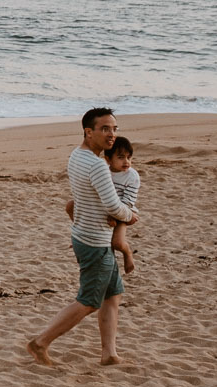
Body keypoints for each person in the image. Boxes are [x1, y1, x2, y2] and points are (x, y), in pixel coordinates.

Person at [27, 107, 138, 367]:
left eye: (114, 129)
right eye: (104, 129)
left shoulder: (77, 156)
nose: (111, 134)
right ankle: (40, 343)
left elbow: (83, 200)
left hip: (85, 233)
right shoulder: (98, 165)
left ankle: (109, 354)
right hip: (95, 241)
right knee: (88, 302)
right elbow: (113, 206)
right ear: (89, 132)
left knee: (112, 295)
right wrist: (130, 215)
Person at [64, 136, 140, 273]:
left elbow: (128, 201)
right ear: (108, 159)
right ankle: (81, 235)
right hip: (102, 207)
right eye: (121, 157)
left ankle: (127, 252)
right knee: (70, 206)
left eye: (129, 157)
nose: (126, 162)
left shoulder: (132, 176)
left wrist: (115, 217)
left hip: (123, 211)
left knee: (117, 243)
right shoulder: (103, 170)